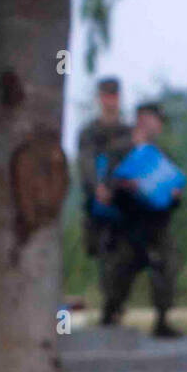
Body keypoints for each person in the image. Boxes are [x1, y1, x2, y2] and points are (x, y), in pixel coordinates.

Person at [98, 101, 183, 338]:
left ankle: (162, 319)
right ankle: (110, 312)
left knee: (165, 268)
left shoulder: (162, 155)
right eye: (151, 120)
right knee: (121, 272)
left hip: (157, 222)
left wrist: (175, 196)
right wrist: (124, 186)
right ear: (141, 120)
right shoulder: (119, 149)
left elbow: (174, 188)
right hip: (127, 222)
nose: (155, 126)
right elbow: (106, 187)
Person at [76, 76, 131, 268]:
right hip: (97, 207)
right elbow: (86, 161)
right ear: (100, 98)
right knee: (102, 258)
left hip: (124, 206)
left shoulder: (128, 132)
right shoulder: (89, 132)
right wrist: (97, 188)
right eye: (106, 96)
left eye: (114, 96)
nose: (110, 101)